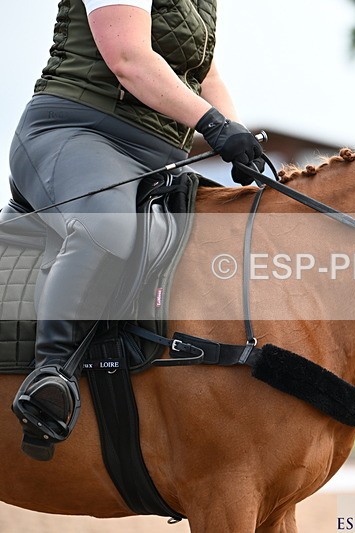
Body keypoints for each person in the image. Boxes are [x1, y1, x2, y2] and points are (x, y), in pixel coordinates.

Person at [8, 0, 264, 461]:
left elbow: (206, 76)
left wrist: (235, 132)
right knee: (108, 228)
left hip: (159, 156)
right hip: (75, 131)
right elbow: (129, 60)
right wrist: (214, 126)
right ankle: (51, 373)